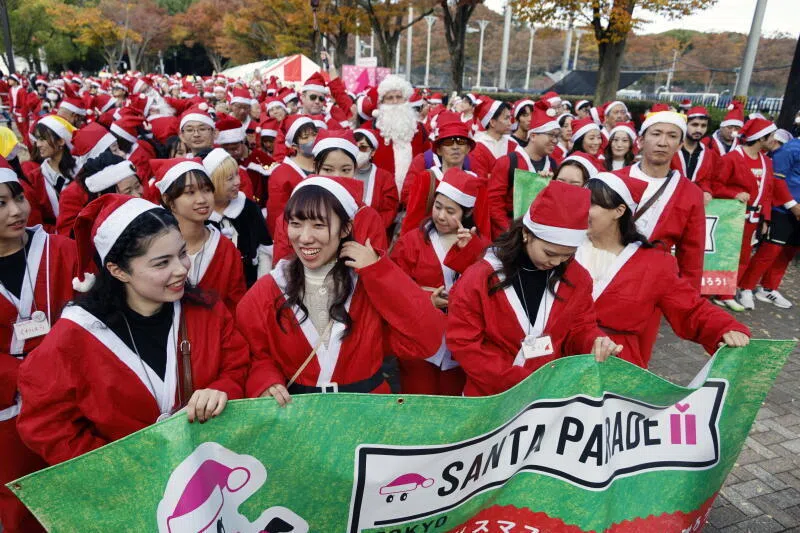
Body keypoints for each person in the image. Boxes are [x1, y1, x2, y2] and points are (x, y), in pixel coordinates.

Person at [16, 195, 249, 466]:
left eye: (182, 253)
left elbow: (237, 365)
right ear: (118, 270)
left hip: (207, 468)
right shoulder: (75, 336)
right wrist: (113, 465)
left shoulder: (207, 311)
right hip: (122, 489)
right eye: (162, 263)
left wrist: (222, 390)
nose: (181, 269)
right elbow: (46, 423)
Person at [237, 177, 446, 403]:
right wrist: (266, 381)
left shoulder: (368, 283)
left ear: (346, 228)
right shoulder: (271, 288)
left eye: (319, 225)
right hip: (298, 419)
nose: (305, 238)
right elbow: (251, 355)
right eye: (295, 224)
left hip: (368, 414)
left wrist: (380, 271)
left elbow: (427, 338)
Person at [447, 181, 622, 397]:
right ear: (526, 234)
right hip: (491, 396)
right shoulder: (480, 278)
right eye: (549, 253)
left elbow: (581, 326)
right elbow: (464, 343)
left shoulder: (576, 277)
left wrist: (594, 341)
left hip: (547, 395)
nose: (556, 262)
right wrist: (519, 382)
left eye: (567, 254)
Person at [577, 172, 750, 368]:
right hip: (562, 359)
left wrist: (725, 328)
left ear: (618, 211)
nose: (581, 209)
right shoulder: (562, 250)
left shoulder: (654, 263)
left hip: (616, 364)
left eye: (591, 204)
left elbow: (690, 308)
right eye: (579, 201)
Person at [0, 164, 78, 533]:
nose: (16, 211)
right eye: (0, 204)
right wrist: (24, 374)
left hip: (69, 393)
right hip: (7, 405)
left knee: (72, 483)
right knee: (19, 494)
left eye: (18, 198)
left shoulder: (61, 250)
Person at [391, 169, 490, 395]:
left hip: (461, 336)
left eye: (450, 211)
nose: (441, 216)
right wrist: (427, 299)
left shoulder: (480, 245)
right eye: (437, 207)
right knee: (418, 397)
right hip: (420, 334)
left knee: (452, 399)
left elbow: (487, 287)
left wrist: (471, 251)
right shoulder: (411, 242)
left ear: (466, 213)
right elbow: (395, 288)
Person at [153, 157, 247, 314]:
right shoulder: (153, 249)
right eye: (190, 192)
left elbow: (235, 306)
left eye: (207, 190)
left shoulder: (225, 248)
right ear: (168, 200)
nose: (202, 199)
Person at [710, 118, 778, 311]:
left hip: (753, 219)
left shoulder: (766, 161)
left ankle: (729, 291)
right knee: (728, 255)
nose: (774, 139)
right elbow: (716, 185)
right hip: (732, 216)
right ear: (760, 138)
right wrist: (733, 194)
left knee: (744, 257)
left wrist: (766, 218)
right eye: (771, 136)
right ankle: (722, 292)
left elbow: (768, 192)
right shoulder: (732, 158)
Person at [737, 130, 800, 309]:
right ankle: (746, 287)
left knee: (788, 252)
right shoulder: (790, 149)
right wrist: (792, 205)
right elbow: (776, 180)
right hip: (783, 209)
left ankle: (769, 288)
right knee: (769, 251)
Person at [402, 112, 486, 234]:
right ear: (439, 150)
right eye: (448, 142)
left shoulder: (475, 182)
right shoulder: (427, 178)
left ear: (468, 148)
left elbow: (483, 227)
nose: (455, 147)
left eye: (461, 141)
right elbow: (411, 224)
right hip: (428, 246)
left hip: (464, 246)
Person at [488, 101, 561, 239]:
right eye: (551, 135)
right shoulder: (508, 162)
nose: (555, 140)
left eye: (557, 136)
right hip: (510, 235)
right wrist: (510, 231)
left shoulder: (553, 165)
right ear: (533, 136)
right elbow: (494, 204)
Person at [203, 148, 273, 287]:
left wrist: (260, 285)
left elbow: (264, 249)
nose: (237, 182)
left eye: (237, 175)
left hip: (250, 283)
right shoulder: (202, 215)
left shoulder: (249, 208)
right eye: (230, 179)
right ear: (212, 183)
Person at [266, 115, 318, 236]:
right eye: (306, 137)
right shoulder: (281, 174)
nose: (312, 139)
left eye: (314, 134)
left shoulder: (325, 166)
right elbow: (277, 215)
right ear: (294, 146)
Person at [28, 115, 78, 231]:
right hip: (56, 241)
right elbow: (36, 223)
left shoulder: (82, 169)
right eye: (37, 139)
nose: (38, 144)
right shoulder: (34, 178)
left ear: (61, 141)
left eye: (42, 139)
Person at [353, 128, 399, 231]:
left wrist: (371, 229)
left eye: (362, 147)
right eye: (353, 146)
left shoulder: (385, 178)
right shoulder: (340, 172)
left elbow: (389, 212)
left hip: (372, 234)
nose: (357, 151)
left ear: (372, 152)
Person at [671, 106, 718, 200]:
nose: (699, 130)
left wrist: (706, 191)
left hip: (695, 201)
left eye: (703, 126)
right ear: (685, 125)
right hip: (670, 200)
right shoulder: (672, 149)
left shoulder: (709, 154)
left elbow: (708, 180)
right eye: (694, 125)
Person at [470, 97, 516, 179]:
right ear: (492, 122)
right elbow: (480, 180)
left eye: (510, 118)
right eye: (506, 118)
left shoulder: (513, 144)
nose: (510, 123)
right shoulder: (477, 147)